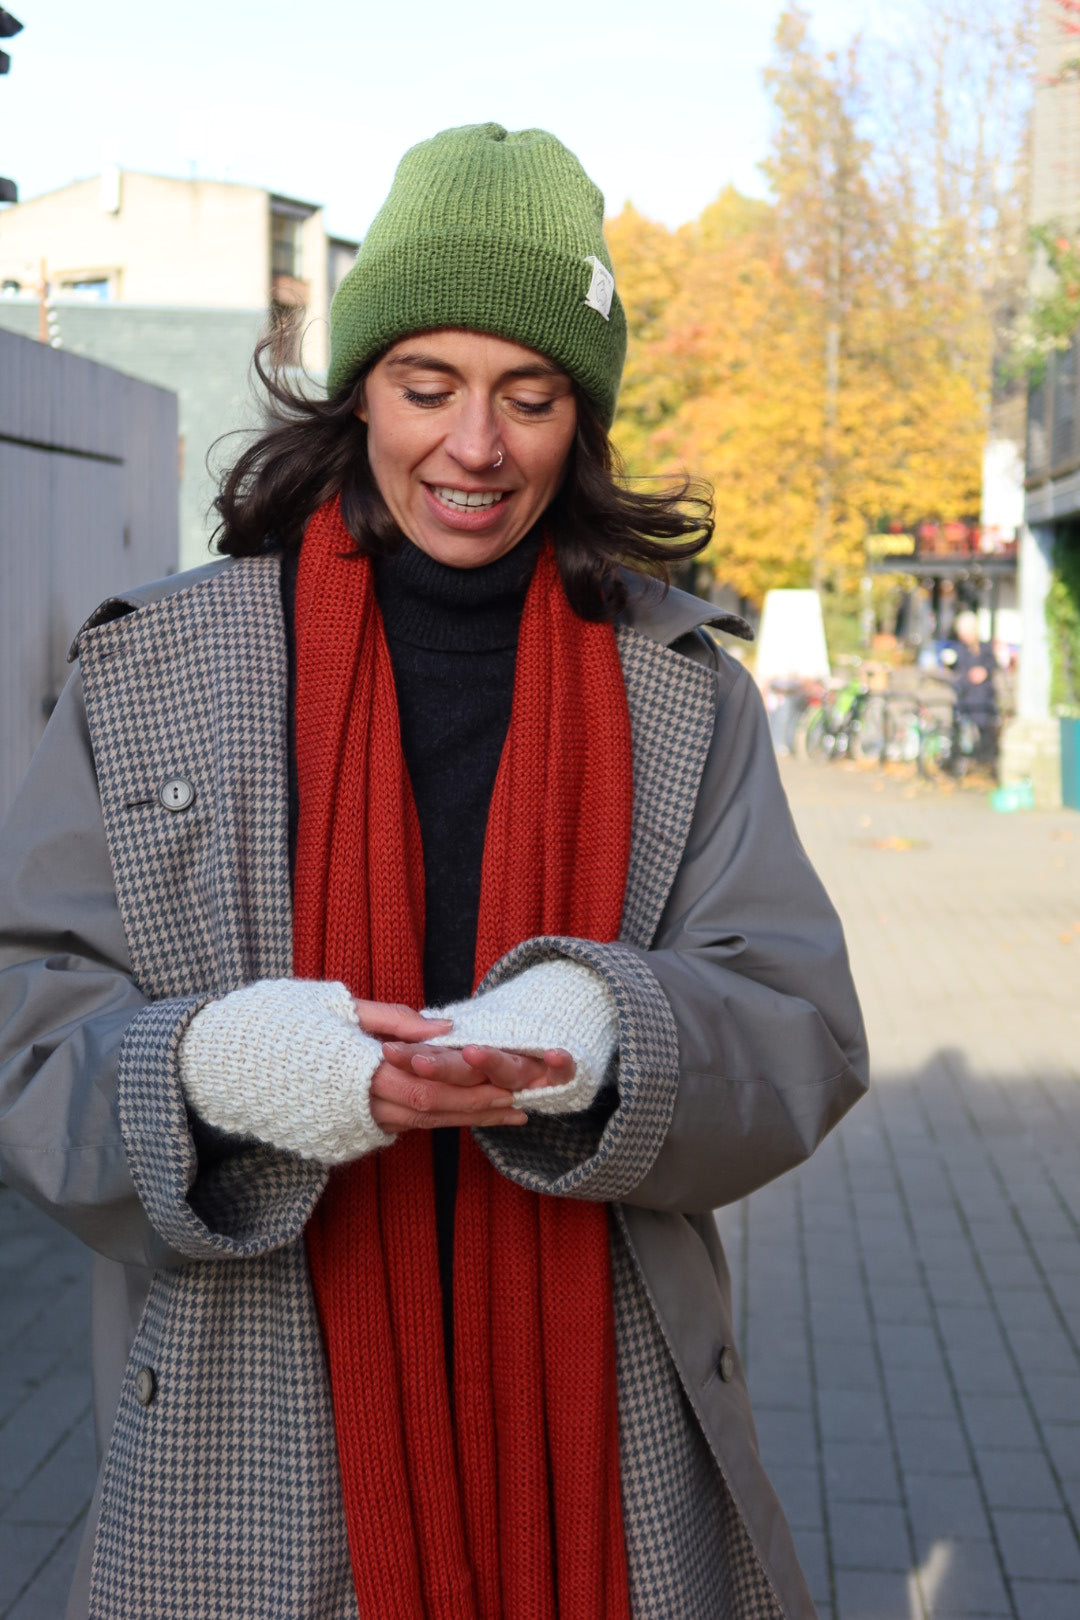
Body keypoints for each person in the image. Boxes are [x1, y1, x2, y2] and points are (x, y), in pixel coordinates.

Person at [0, 123, 868, 1620]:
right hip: (247, 1437)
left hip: (602, 1440)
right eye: (427, 387)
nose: (474, 446)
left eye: (529, 397)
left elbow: (799, 1021)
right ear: (357, 396)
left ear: (577, 421)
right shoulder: (156, 667)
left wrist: (609, 1037)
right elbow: (30, 1028)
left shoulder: (682, 689)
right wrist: (217, 1071)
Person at [950, 608, 999, 768]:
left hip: (983, 698)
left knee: (986, 731)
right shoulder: (959, 650)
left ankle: (985, 761)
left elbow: (992, 665)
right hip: (967, 697)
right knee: (962, 729)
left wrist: (984, 671)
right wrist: (967, 678)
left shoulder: (984, 649)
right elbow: (958, 675)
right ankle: (967, 759)